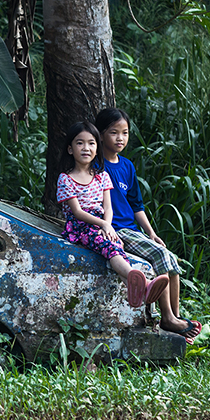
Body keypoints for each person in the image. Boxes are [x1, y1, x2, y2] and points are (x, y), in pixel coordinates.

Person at [94, 107, 202, 342]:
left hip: (132, 229)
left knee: (169, 257)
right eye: (114, 133)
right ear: (101, 135)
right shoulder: (96, 166)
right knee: (160, 256)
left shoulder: (127, 166)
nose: (120, 138)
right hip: (116, 229)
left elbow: (137, 205)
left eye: (125, 133)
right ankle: (168, 318)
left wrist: (151, 232)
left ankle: (176, 316)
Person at [56, 121, 168, 310]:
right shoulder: (66, 178)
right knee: (110, 246)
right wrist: (104, 226)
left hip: (102, 222)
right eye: (79, 143)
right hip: (81, 225)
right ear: (70, 149)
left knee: (116, 243)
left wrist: (107, 225)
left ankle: (135, 290)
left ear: (97, 147)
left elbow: (108, 207)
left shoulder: (102, 176)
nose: (86, 148)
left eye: (91, 143)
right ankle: (144, 285)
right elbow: (77, 212)